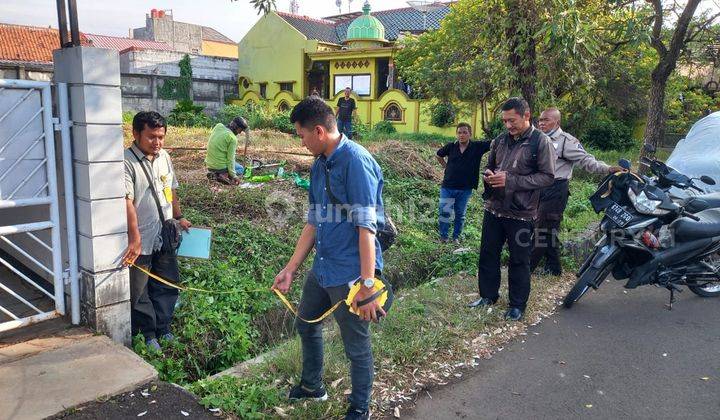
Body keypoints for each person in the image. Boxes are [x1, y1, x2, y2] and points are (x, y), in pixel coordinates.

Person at [272, 97, 387, 420]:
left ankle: (360, 407)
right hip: (324, 268)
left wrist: (367, 285)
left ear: (319, 131)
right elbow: (313, 221)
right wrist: (291, 269)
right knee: (306, 323)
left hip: (352, 273)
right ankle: (312, 386)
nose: (301, 141)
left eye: (301, 135)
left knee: (356, 346)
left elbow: (367, 229)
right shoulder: (320, 163)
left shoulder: (356, 162)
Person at [468, 97, 555, 321]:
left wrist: (511, 180)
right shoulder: (499, 140)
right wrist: (489, 176)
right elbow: (490, 166)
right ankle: (488, 296)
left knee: (519, 260)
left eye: (512, 120)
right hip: (494, 208)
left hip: (522, 214)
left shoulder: (540, 142)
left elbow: (547, 177)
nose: (508, 126)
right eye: (505, 121)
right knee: (488, 254)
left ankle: (517, 305)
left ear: (527, 115)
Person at [123, 111, 192, 351]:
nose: (157, 142)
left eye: (161, 136)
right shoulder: (126, 162)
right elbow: (127, 201)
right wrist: (134, 238)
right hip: (142, 237)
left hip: (166, 234)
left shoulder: (164, 157)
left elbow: (171, 188)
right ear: (135, 134)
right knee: (140, 289)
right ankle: (148, 334)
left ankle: (164, 328)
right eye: (152, 136)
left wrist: (179, 216)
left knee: (166, 282)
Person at [530, 107, 622, 275]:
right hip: (537, 188)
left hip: (555, 190)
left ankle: (525, 269)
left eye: (546, 120)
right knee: (547, 229)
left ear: (556, 122)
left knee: (542, 230)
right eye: (540, 120)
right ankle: (554, 268)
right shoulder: (537, 138)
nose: (541, 123)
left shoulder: (566, 141)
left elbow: (586, 160)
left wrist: (608, 168)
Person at [436, 123, 491, 243]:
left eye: (465, 132)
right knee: (445, 212)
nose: (461, 135)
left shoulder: (477, 146)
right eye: (459, 132)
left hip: (465, 188)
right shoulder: (451, 146)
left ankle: (456, 237)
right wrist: (446, 167)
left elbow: (494, 143)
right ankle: (443, 237)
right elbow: (439, 155)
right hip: (448, 186)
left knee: (460, 214)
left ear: (470, 134)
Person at [205, 116, 248, 185]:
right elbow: (230, 159)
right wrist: (234, 176)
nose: (239, 133)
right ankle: (223, 175)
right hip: (220, 166)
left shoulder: (218, 126)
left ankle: (216, 174)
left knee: (234, 164)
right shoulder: (232, 138)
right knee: (241, 169)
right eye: (240, 130)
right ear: (236, 127)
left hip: (209, 164)